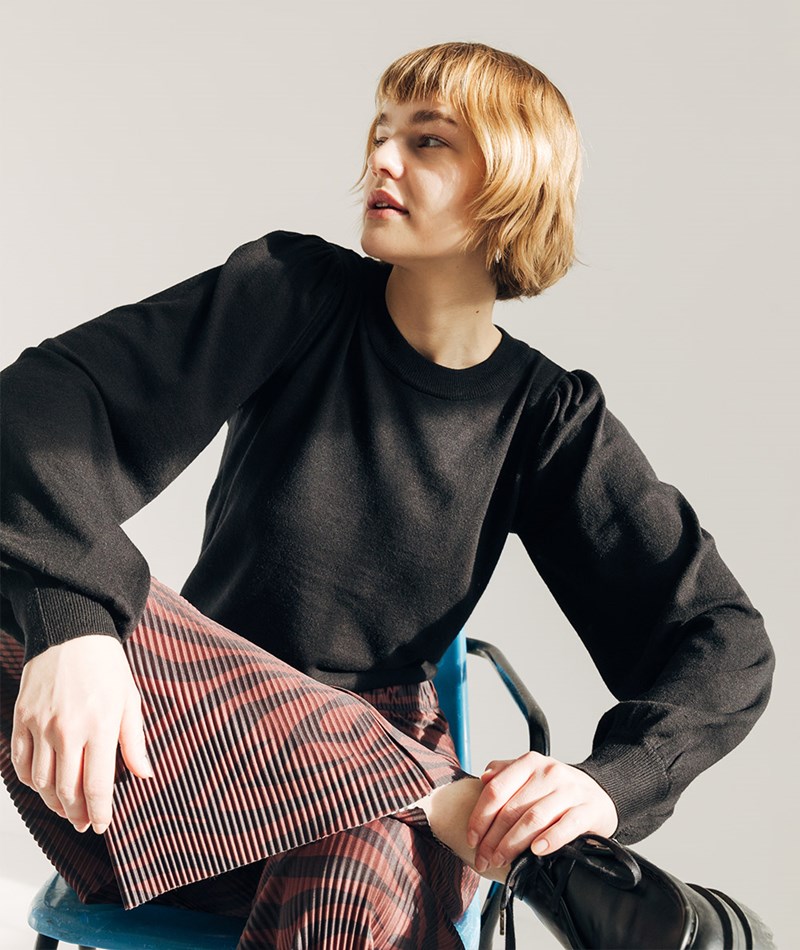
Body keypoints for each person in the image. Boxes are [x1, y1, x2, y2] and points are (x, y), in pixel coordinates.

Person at [0, 41, 775, 949]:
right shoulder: (291, 295)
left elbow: (721, 638)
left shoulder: (547, 418)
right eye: (380, 132)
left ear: (513, 184)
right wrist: (74, 626)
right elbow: (35, 409)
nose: (381, 158)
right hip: (166, 752)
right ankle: (465, 812)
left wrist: (610, 785)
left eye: (427, 140)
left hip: (370, 814)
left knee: (361, 867)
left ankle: (423, 801)